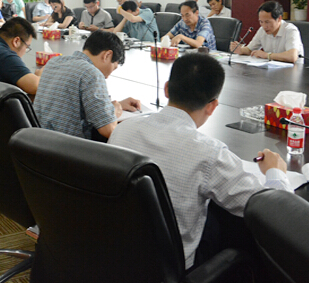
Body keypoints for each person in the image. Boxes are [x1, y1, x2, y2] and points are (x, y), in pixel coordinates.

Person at [109, 54, 292, 269]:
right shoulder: (208, 153)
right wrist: (275, 172)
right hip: (169, 267)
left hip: (115, 255)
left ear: (167, 89)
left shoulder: (122, 129)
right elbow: (277, 215)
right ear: (212, 106)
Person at [34, 30, 140, 140]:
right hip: (67, 146)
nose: (108, 77)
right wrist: (113, 112)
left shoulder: (54, 62)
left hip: (37, 142)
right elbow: (109, 130)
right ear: (107, 55)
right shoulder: (91, 73)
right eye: (113, 68)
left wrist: (116, 105)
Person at [230, 0, 303, 63]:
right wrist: (240, 50)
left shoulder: (290, 30)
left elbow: (292, 56)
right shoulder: (262, 30)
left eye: (267, 22)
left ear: (279, 18)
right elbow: (250, 49)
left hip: (293, 71)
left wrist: (267, 55)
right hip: (272, 69)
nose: (264, 26)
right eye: (261, 22)